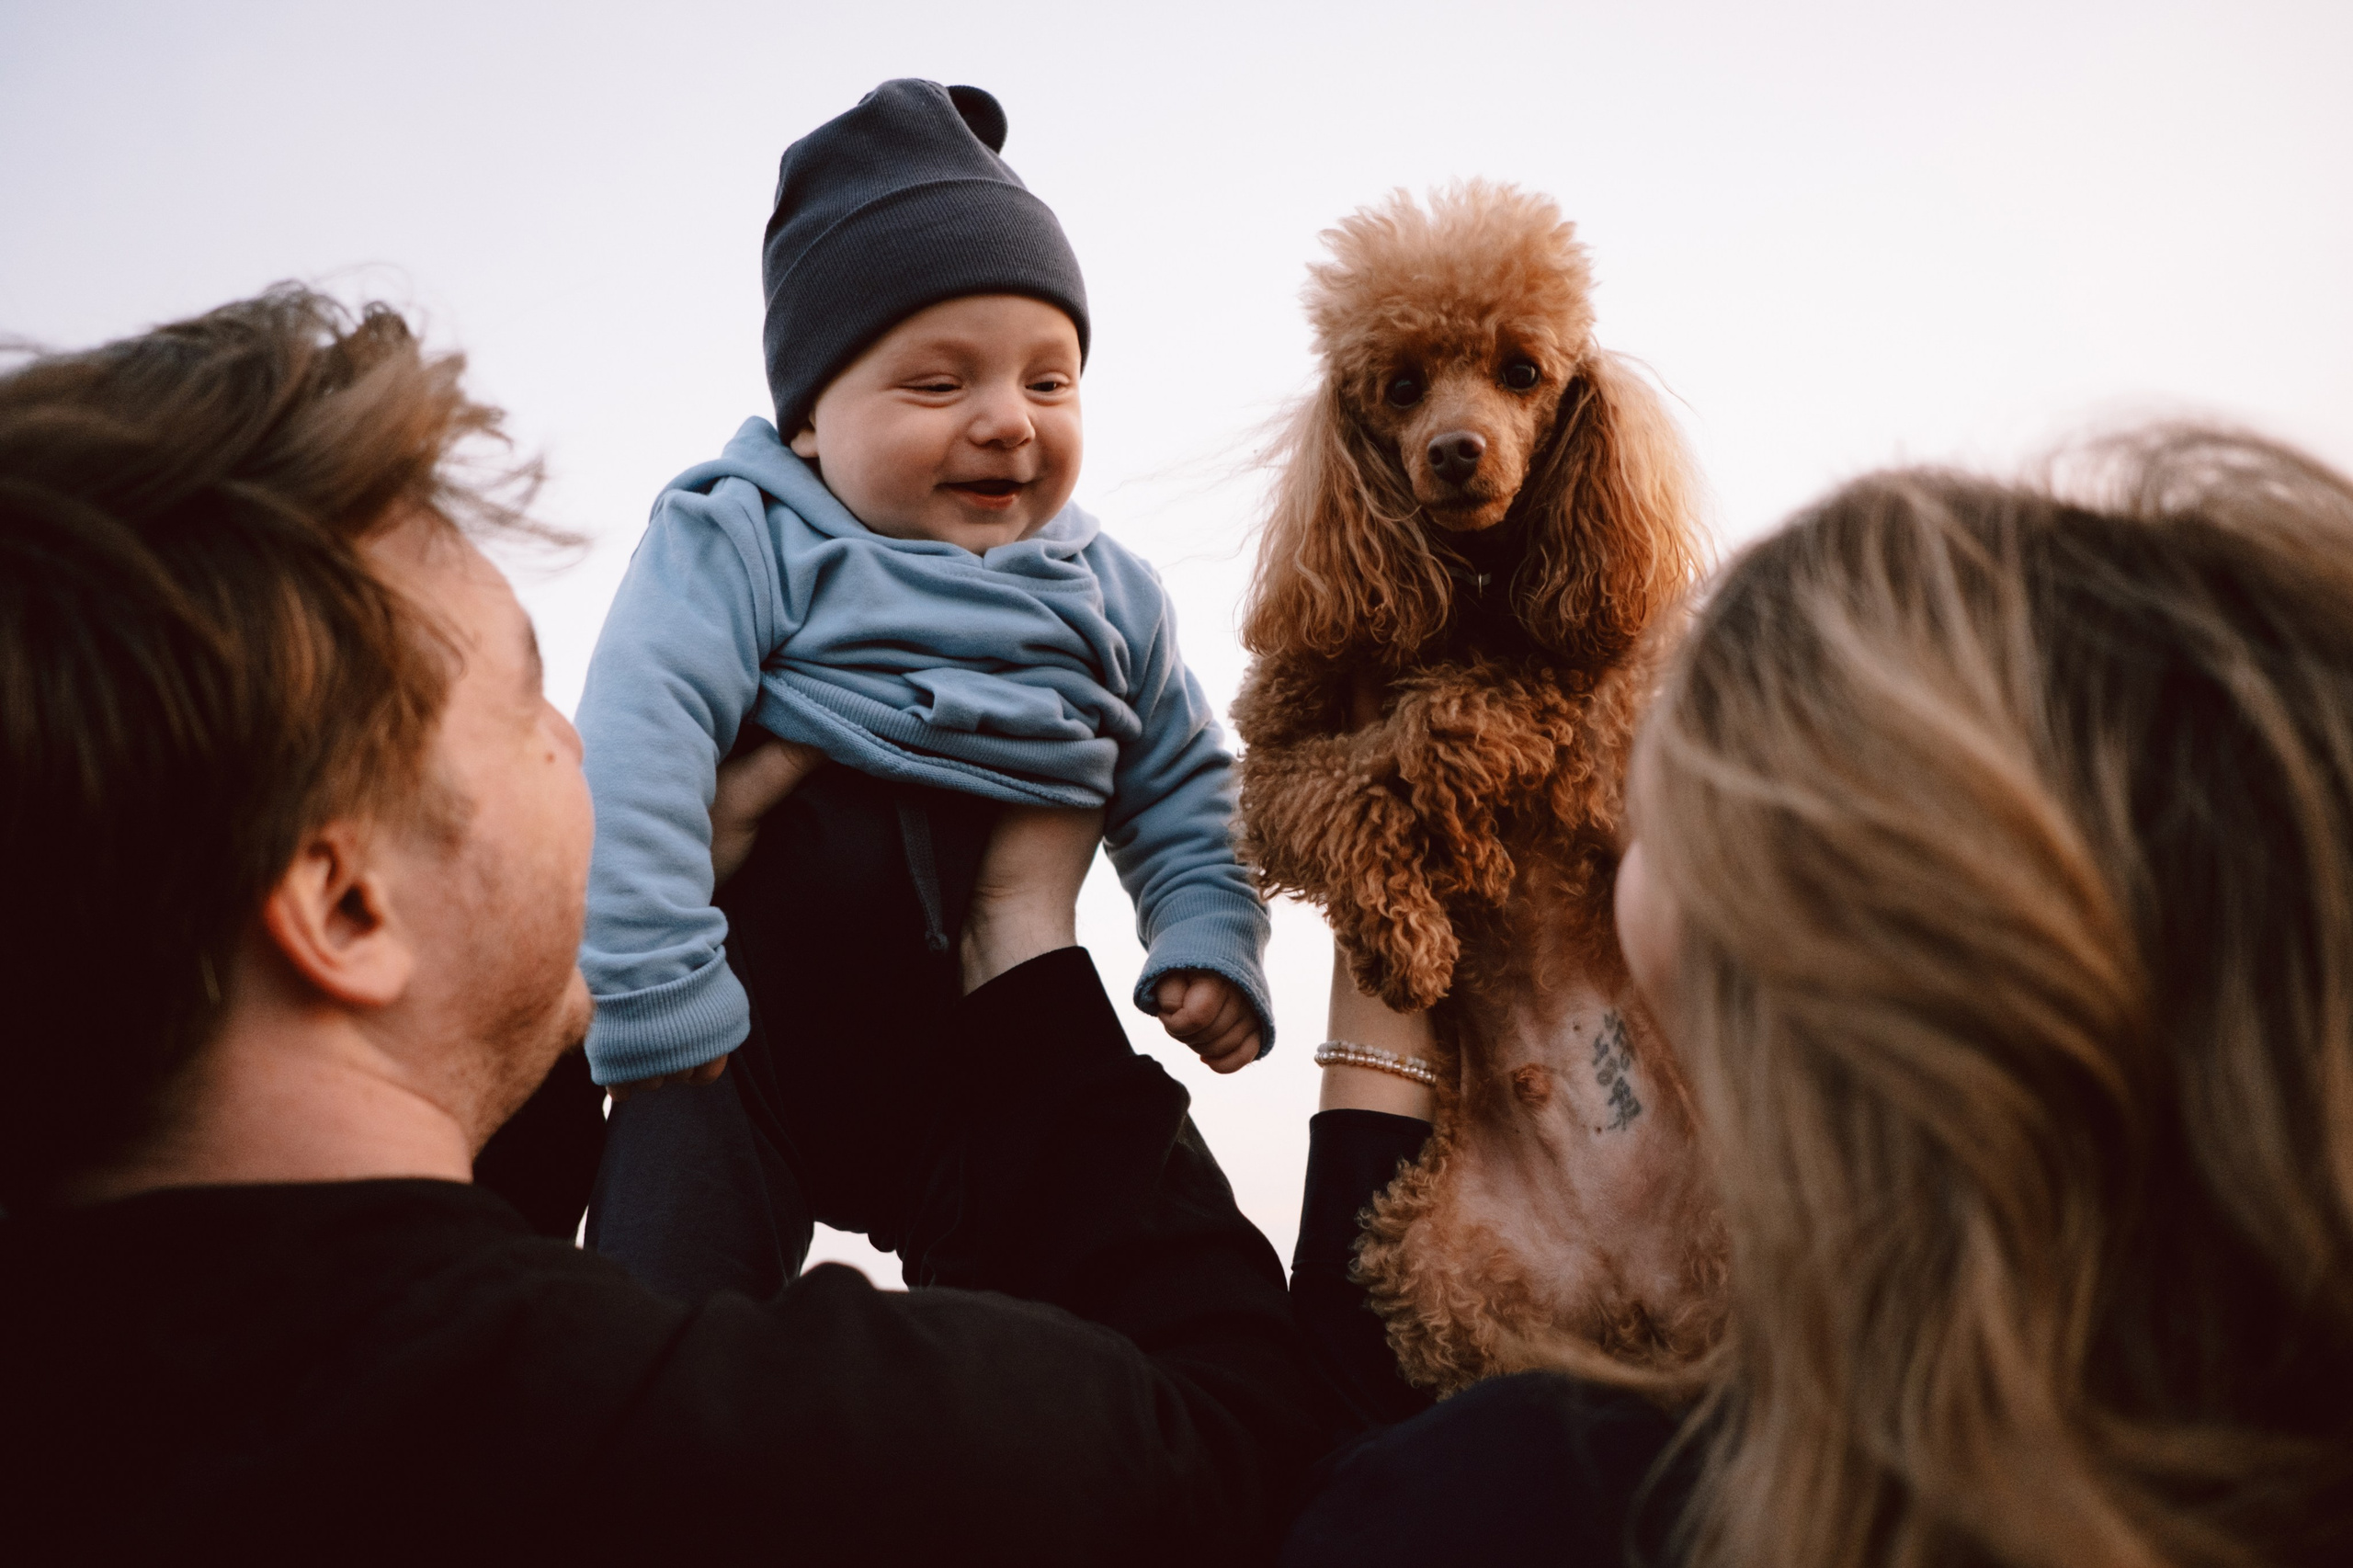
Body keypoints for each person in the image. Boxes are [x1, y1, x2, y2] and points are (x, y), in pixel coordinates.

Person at [0, 288, 1324, 1563]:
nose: (586, 742)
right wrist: (1026, 945)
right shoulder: (771, 1446)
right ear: (344, 906)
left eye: (1049, 376)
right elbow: (1256, 1447)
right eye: (528, 706)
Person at [1281, 428, 2353, 1566]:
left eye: (1661, 795)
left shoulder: (1533, 1495)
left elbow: (1324, 1452)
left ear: (1751, 942)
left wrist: (1377, 890)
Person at [576, 75, 1272, 1290]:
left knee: (1072, 1328)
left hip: (979, 1045)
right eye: (940, 384)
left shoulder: (1107, 590)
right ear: (808, 422)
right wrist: (652, 976)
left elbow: (1179, 776)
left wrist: (1207, 927)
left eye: (1048, 381)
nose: (1009, 422)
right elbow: (644, 737)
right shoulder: (746, 532)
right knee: (657, 1322)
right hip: (742, 1034)